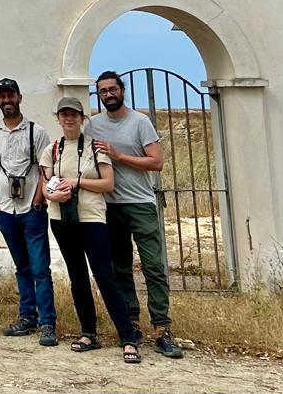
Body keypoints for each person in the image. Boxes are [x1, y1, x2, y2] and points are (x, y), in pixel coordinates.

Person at [90, 70, 184, 359]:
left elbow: (156, 163)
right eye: (103, 91)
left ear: (122, 90)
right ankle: (131, 320)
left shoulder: (140, 122)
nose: (109, 94)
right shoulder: (93, 125)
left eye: (112, 89)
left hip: (141, 203)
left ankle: (161, 327)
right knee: (120, 267)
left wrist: (120, 156)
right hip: (110, 205)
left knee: (154, 266)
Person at [41, 95, 139, 362]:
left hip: (92, 217)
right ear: (58, 118)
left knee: (105, 275)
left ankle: (128, 336)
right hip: (62, 218)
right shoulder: (52, 149)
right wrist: (53, 195)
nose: (69, 119)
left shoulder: (96, 148)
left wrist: (76, 182)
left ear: (82, 118)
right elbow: (45, 184)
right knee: (77, 277)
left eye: (74, 114)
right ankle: (88, 333)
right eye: (64, 114)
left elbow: (108, 183)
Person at [0, 78, 58, 347]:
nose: (7, 101)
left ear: (19, 97)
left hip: (31, 209)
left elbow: (44, 171)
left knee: (40, 268)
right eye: (2, 96)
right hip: (6, 209)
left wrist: (38, 202)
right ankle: (28, 317)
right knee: (22, 267)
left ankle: (48, 322)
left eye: (10, 95)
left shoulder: (37, 133)